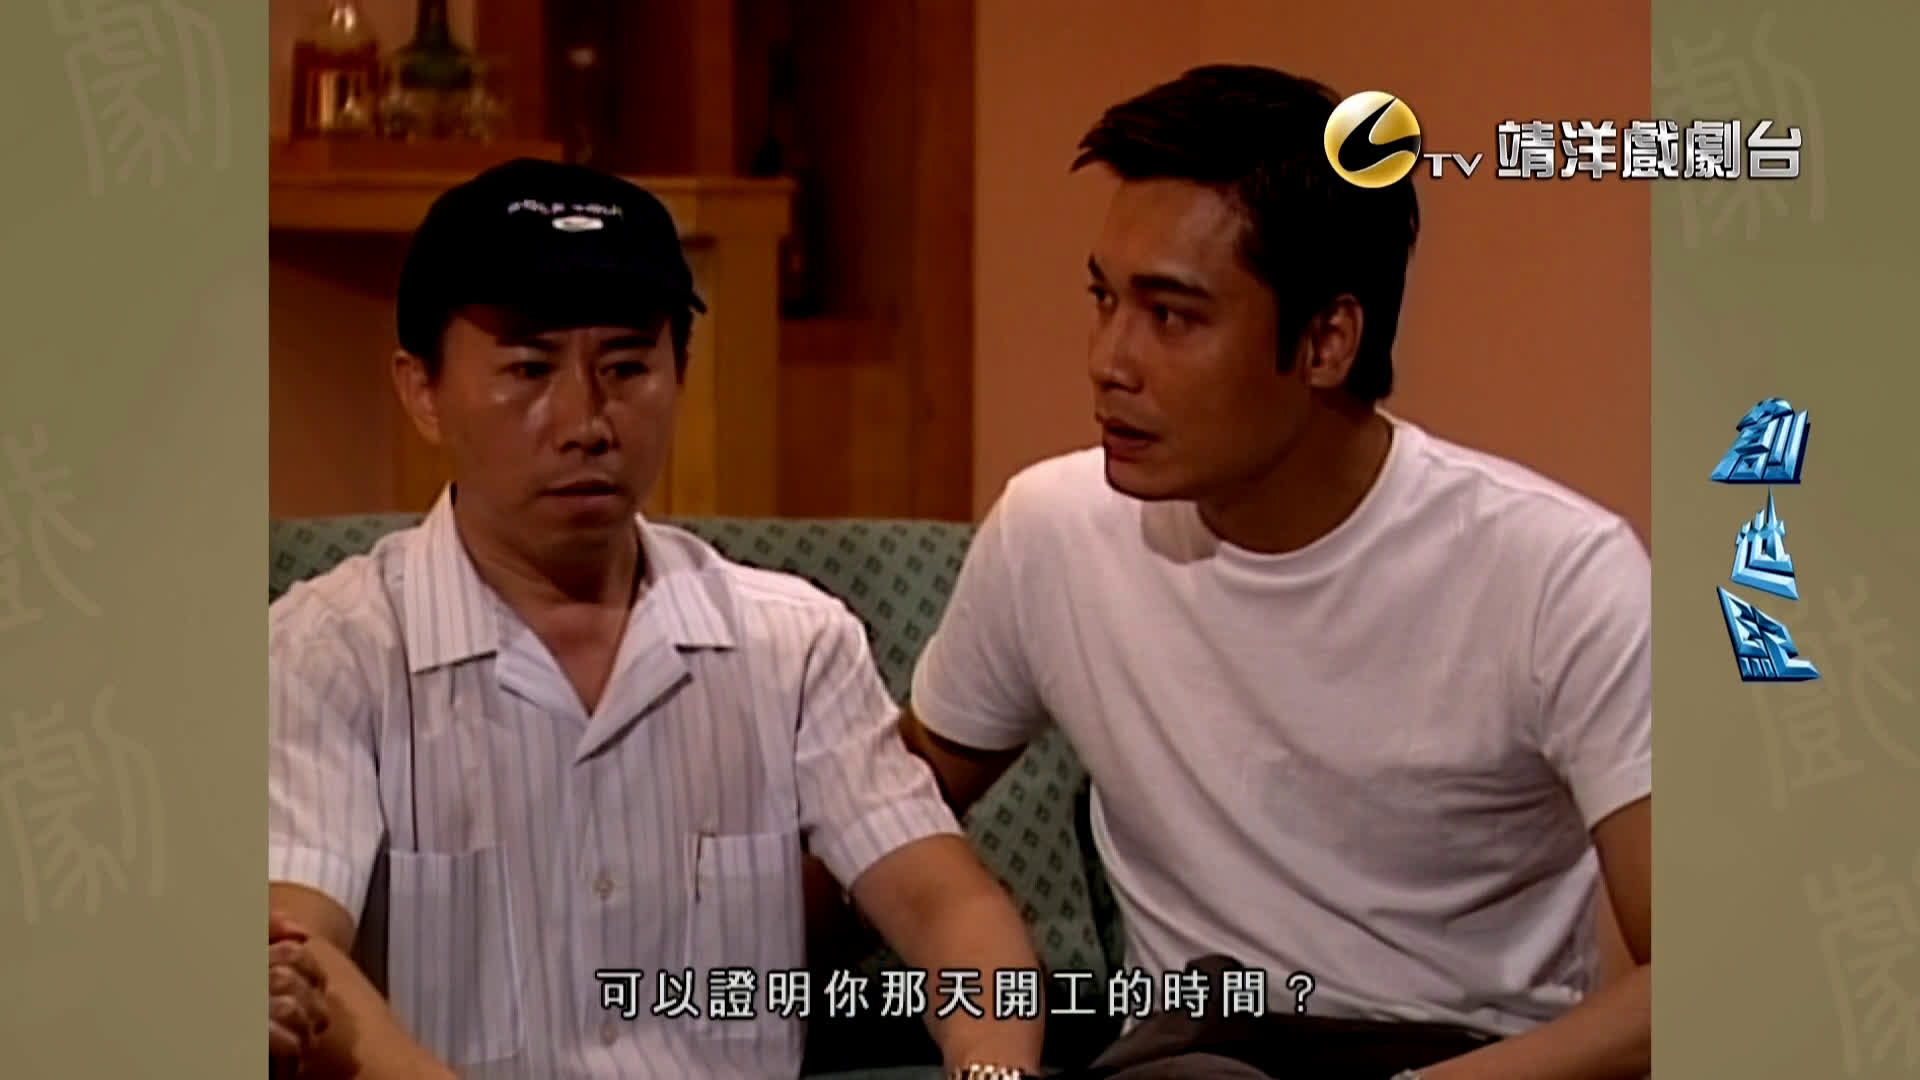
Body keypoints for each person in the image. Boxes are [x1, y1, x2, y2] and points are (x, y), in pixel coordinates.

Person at [900, 66, 1651, 1080]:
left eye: (1172, 316)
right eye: (1104, 299)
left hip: (1461, 1061)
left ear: (1328, 339)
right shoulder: (1055, 531)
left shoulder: (1556, 574)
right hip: (1194, 1055)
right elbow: (884, 815)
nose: (1108, 361)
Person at [267, 158, 1046, 1080]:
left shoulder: (793, 645)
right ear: (421, 389)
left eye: (627, 367)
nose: (585, 422)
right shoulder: (334, 648)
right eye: (528, 368)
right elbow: (296, 953)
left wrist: (993, 1070)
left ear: (681, 371)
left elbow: (951, 911)